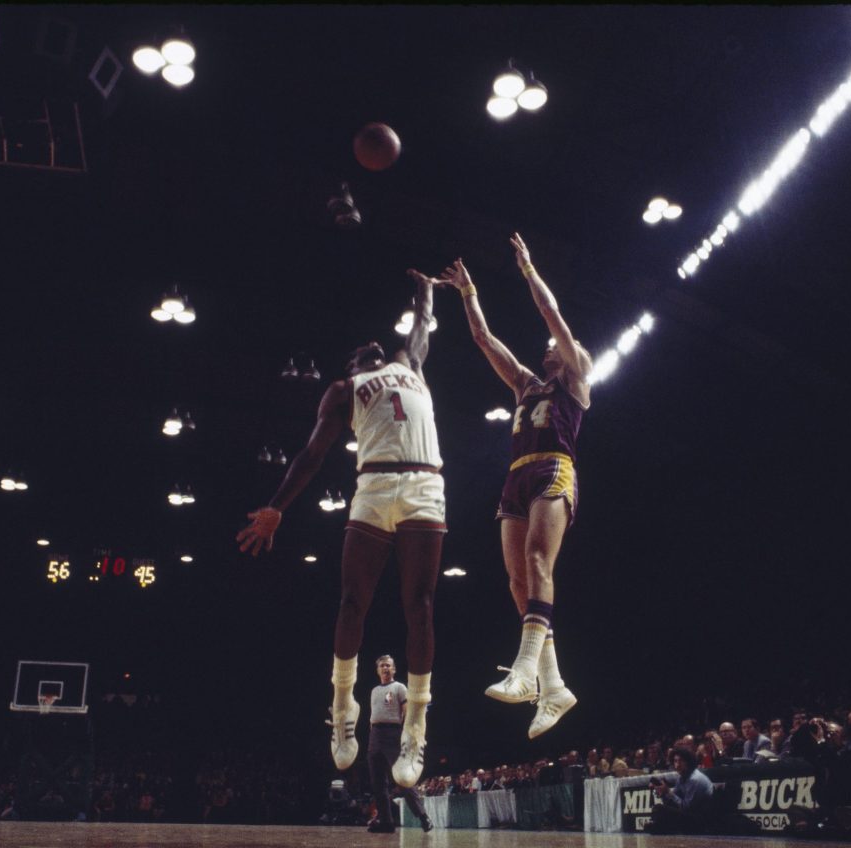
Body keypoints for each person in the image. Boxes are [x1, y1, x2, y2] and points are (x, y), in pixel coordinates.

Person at [237, 272, 443, 788]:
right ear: (352, 366)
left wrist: (425, 291)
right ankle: (342, 704)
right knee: (353, 602)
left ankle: (415, 725)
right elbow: (311, 455)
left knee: (419, 605)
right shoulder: (343, 390)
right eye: (359, 353)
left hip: (423, 485)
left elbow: (422, 330)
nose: (369, 349)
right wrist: (277, 507)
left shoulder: (409, 363)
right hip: (373, 487)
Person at [435, 234, 592, 739]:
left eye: (558, 347)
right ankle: (553, 684)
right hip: (516, 474)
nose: (549, 347)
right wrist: (468, 292)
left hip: (553, 467)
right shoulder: (525, 384)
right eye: (548, 347)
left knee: (538, 563)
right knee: (516, 583)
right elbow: (483, 340)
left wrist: (527, 269)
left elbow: (553, 316)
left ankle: (526, 669)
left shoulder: (576, 379)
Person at [366, 655, 432, 834]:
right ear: (378, 670)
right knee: (378, 783)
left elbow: (407, 712)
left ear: (394, 669)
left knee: (402, 779)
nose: (385, 668)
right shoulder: (374, 690)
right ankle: (386, 822)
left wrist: (406, 735)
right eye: (382, 666)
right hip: (375, 735)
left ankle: (423, 816)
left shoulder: (399, 687)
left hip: (393, 734)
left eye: (388, 665)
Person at [647, 746, 714, 834]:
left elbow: (686, 808)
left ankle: (655, 827)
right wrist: (663, 794)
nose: (677, 765)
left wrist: (668, 792)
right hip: (690, 815)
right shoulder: (682, 778)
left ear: (688, 762)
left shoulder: (695, 779)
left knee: (660, 810)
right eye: (675, 761)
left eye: (681, 761)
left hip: (701, 819)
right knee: (660, 810)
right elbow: (672, 803)